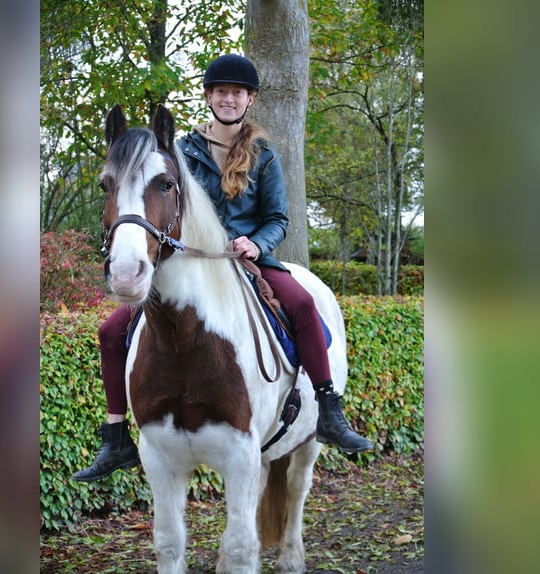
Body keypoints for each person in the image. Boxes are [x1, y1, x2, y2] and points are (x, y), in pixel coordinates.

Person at [72, 54, 372, 483]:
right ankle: (117, 435)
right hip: (193, 263)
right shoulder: (181, 152)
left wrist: (256, 243)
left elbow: (278, 220)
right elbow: (164, 203)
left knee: (305, 304)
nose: (228, 99)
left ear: (249, 100)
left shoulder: (264, 155)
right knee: (110, 331)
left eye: (237, 93)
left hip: (248, 259)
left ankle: (328, 411)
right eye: (220, 91)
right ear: (208, 96)